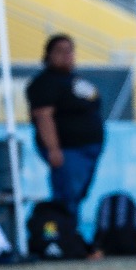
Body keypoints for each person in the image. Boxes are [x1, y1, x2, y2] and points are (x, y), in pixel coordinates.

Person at [30, 34, 107, 219]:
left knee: (78, 194)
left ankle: (70, 230)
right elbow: (43, 116)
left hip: (88, 148)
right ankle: (64, 232)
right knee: (66, 196)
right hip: (68, 149)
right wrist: (53, 149)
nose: (66, 55)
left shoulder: (75, 79)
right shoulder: (45, 82)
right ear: (48, 55)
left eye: (69, 51)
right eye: (60, 51)